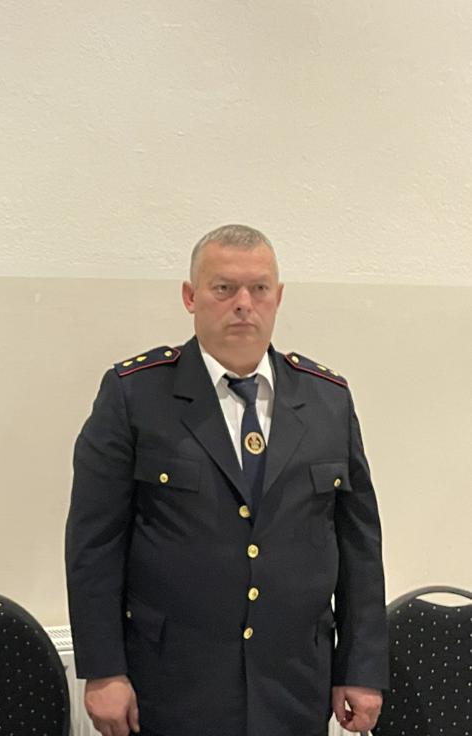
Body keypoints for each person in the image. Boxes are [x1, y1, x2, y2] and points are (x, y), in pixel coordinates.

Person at [65, 225, 388, 736]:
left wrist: (361, 667)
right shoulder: (136, 396)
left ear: (278, 297)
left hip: (295, 684)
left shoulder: (327, 400)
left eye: (259, 288)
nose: (243, 304)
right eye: (224, 288)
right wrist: (104, 670)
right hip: (172, 683)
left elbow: (359, 546)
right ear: (190, 297)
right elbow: (94, 542)